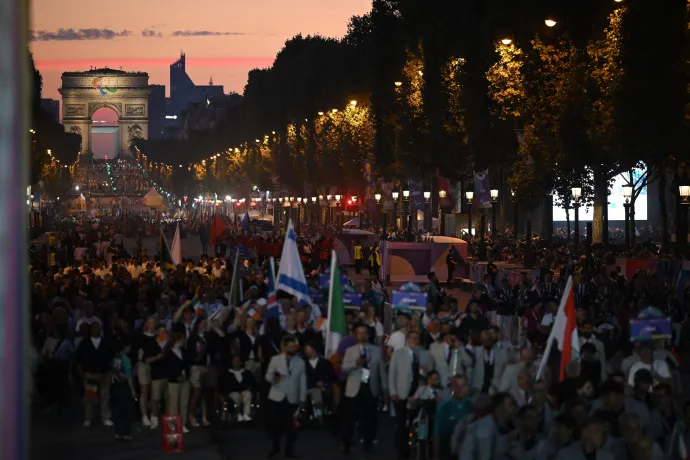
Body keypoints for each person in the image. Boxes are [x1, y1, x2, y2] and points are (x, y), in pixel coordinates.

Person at [341, 323, 387, 454]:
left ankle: (368, 442)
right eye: (360, 333)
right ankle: (346, 443)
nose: (363, 335)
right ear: (356, 335)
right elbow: (344, 368)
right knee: (349, 418)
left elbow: (381, 371)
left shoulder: (376, 350)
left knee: (370, 418)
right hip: (354, 389)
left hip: (370, 388)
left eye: (365, 332)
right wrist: (356, 363)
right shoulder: (350, 351)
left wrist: (385, 390)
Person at [389, 329, 433, 459]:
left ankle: (422, 448)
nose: (415, 340)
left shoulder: (425, 354)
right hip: (402, 393)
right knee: (401, 424)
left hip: (420, 393)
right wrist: (393, 391)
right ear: (407, 339)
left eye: (417, 337)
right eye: (413, 337)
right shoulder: (398, 354)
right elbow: (392, 373)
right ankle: (402, 452)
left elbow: (431, 373)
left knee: (422, 422)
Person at [265, 335, 307, 459]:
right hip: (276, 396)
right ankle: (275, 446)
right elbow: (268, 376)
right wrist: (275, 378)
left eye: (294, 346)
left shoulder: (300, 362)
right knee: (274, 425)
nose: (293, 348)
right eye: (290, 346)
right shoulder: (275, 359)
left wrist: (302, 398)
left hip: (292, 397)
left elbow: (302, 381)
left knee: (292, 427)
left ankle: (289, 450)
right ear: (285, 347)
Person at [433, 374, 473, 460]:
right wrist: (436, 456)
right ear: (452, 387)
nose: (461, 389)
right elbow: (437, 432)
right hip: (448, 450)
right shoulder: (443, 406)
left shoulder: (472, 404)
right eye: (458, 386)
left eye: (463, 386)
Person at [110, 337, 136, 441]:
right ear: (125, 346)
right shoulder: (126, 359)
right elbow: (129, 376)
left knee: (118, 410)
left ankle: (117, 432)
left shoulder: (115, 357)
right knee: (126, 410)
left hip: (115, 386)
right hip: (124, 387)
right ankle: (125, 433)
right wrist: (133, 390)